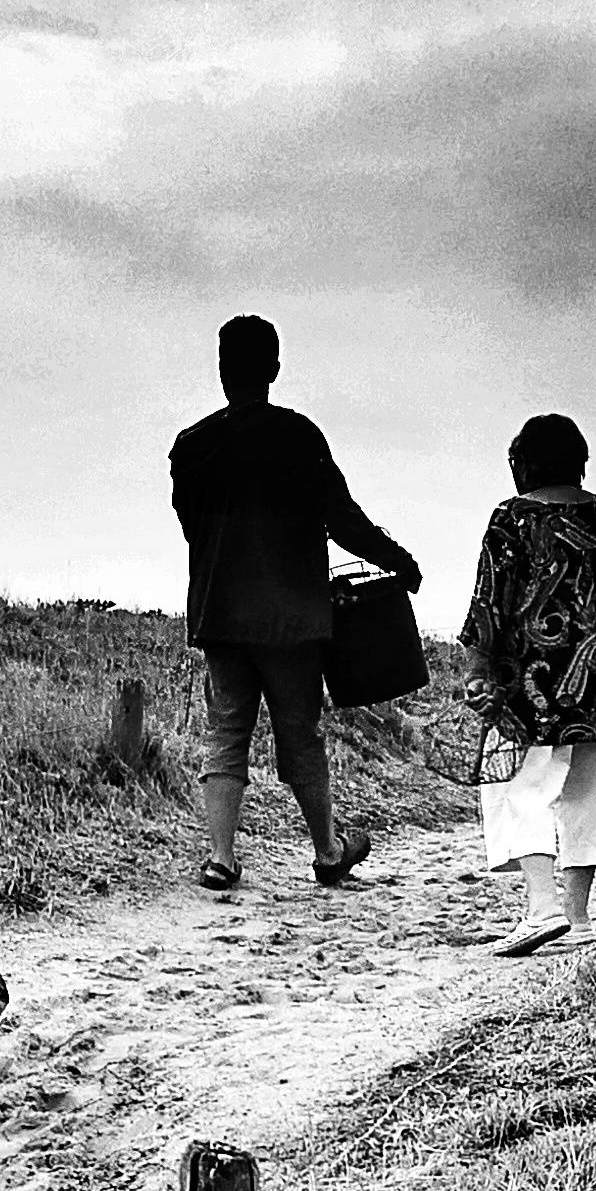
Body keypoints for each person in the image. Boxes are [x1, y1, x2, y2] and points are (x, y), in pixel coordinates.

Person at [168, 313, 422, 892]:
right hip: (292, 620)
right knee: (300, 734)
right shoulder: (299, 436)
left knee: (225, 731)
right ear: (275, 370)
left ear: (221, 370)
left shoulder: (191, 447)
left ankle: (221, 859)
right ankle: (328, 852)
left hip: (221, 615)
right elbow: (343, 519)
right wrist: (398, 561)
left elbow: (191, 528)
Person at [460, 413, 596, 954]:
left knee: (515, 785)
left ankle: (543, 907)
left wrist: (479, 669)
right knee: (594, 791)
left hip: (531, 682)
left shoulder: (511, 518)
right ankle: (577, 920)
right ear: (580, 465)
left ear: (522, 464)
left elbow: (490, 602)